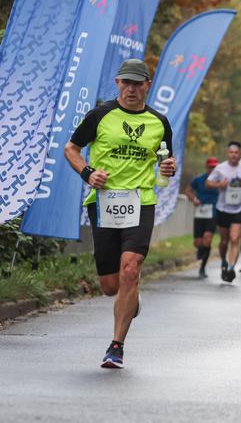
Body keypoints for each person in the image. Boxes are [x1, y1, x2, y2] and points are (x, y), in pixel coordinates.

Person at [64, 59, 176, 369]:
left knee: (130, 269)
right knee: (111, 286)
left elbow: (166, 160)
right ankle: (131, 298)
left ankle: (116, 346)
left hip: (141, 201)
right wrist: (87, 173)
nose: (130, 89)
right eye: (125, 83)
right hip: (103, 203)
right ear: (117, 83)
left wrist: (169, 166)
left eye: (136, 83)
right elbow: (71, 149)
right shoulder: (100, 115)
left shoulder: (159, 122)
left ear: (146, 85)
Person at [206, 141, 241, 282]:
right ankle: (224, 262)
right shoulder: (220, 168)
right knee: (224, 241)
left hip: (240, 208)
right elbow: (208, 183)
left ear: (240, 154)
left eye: (236, 152)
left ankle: (231, 268)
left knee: (234, 239)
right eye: (231, 152)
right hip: (223, 208)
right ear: (228, 154)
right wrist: (219, 184)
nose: (233, 155)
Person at [185, 157, 220, 278]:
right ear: (206, 167)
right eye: (210, 167)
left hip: (213, 212)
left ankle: (203, 268)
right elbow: (188, 190)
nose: (212, 169)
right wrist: (194, 199)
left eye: (215, 167)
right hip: (200, 212)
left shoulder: (220, 180)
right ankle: (201, 250)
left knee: (208, 239)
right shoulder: (199, 179)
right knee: (198, 243)